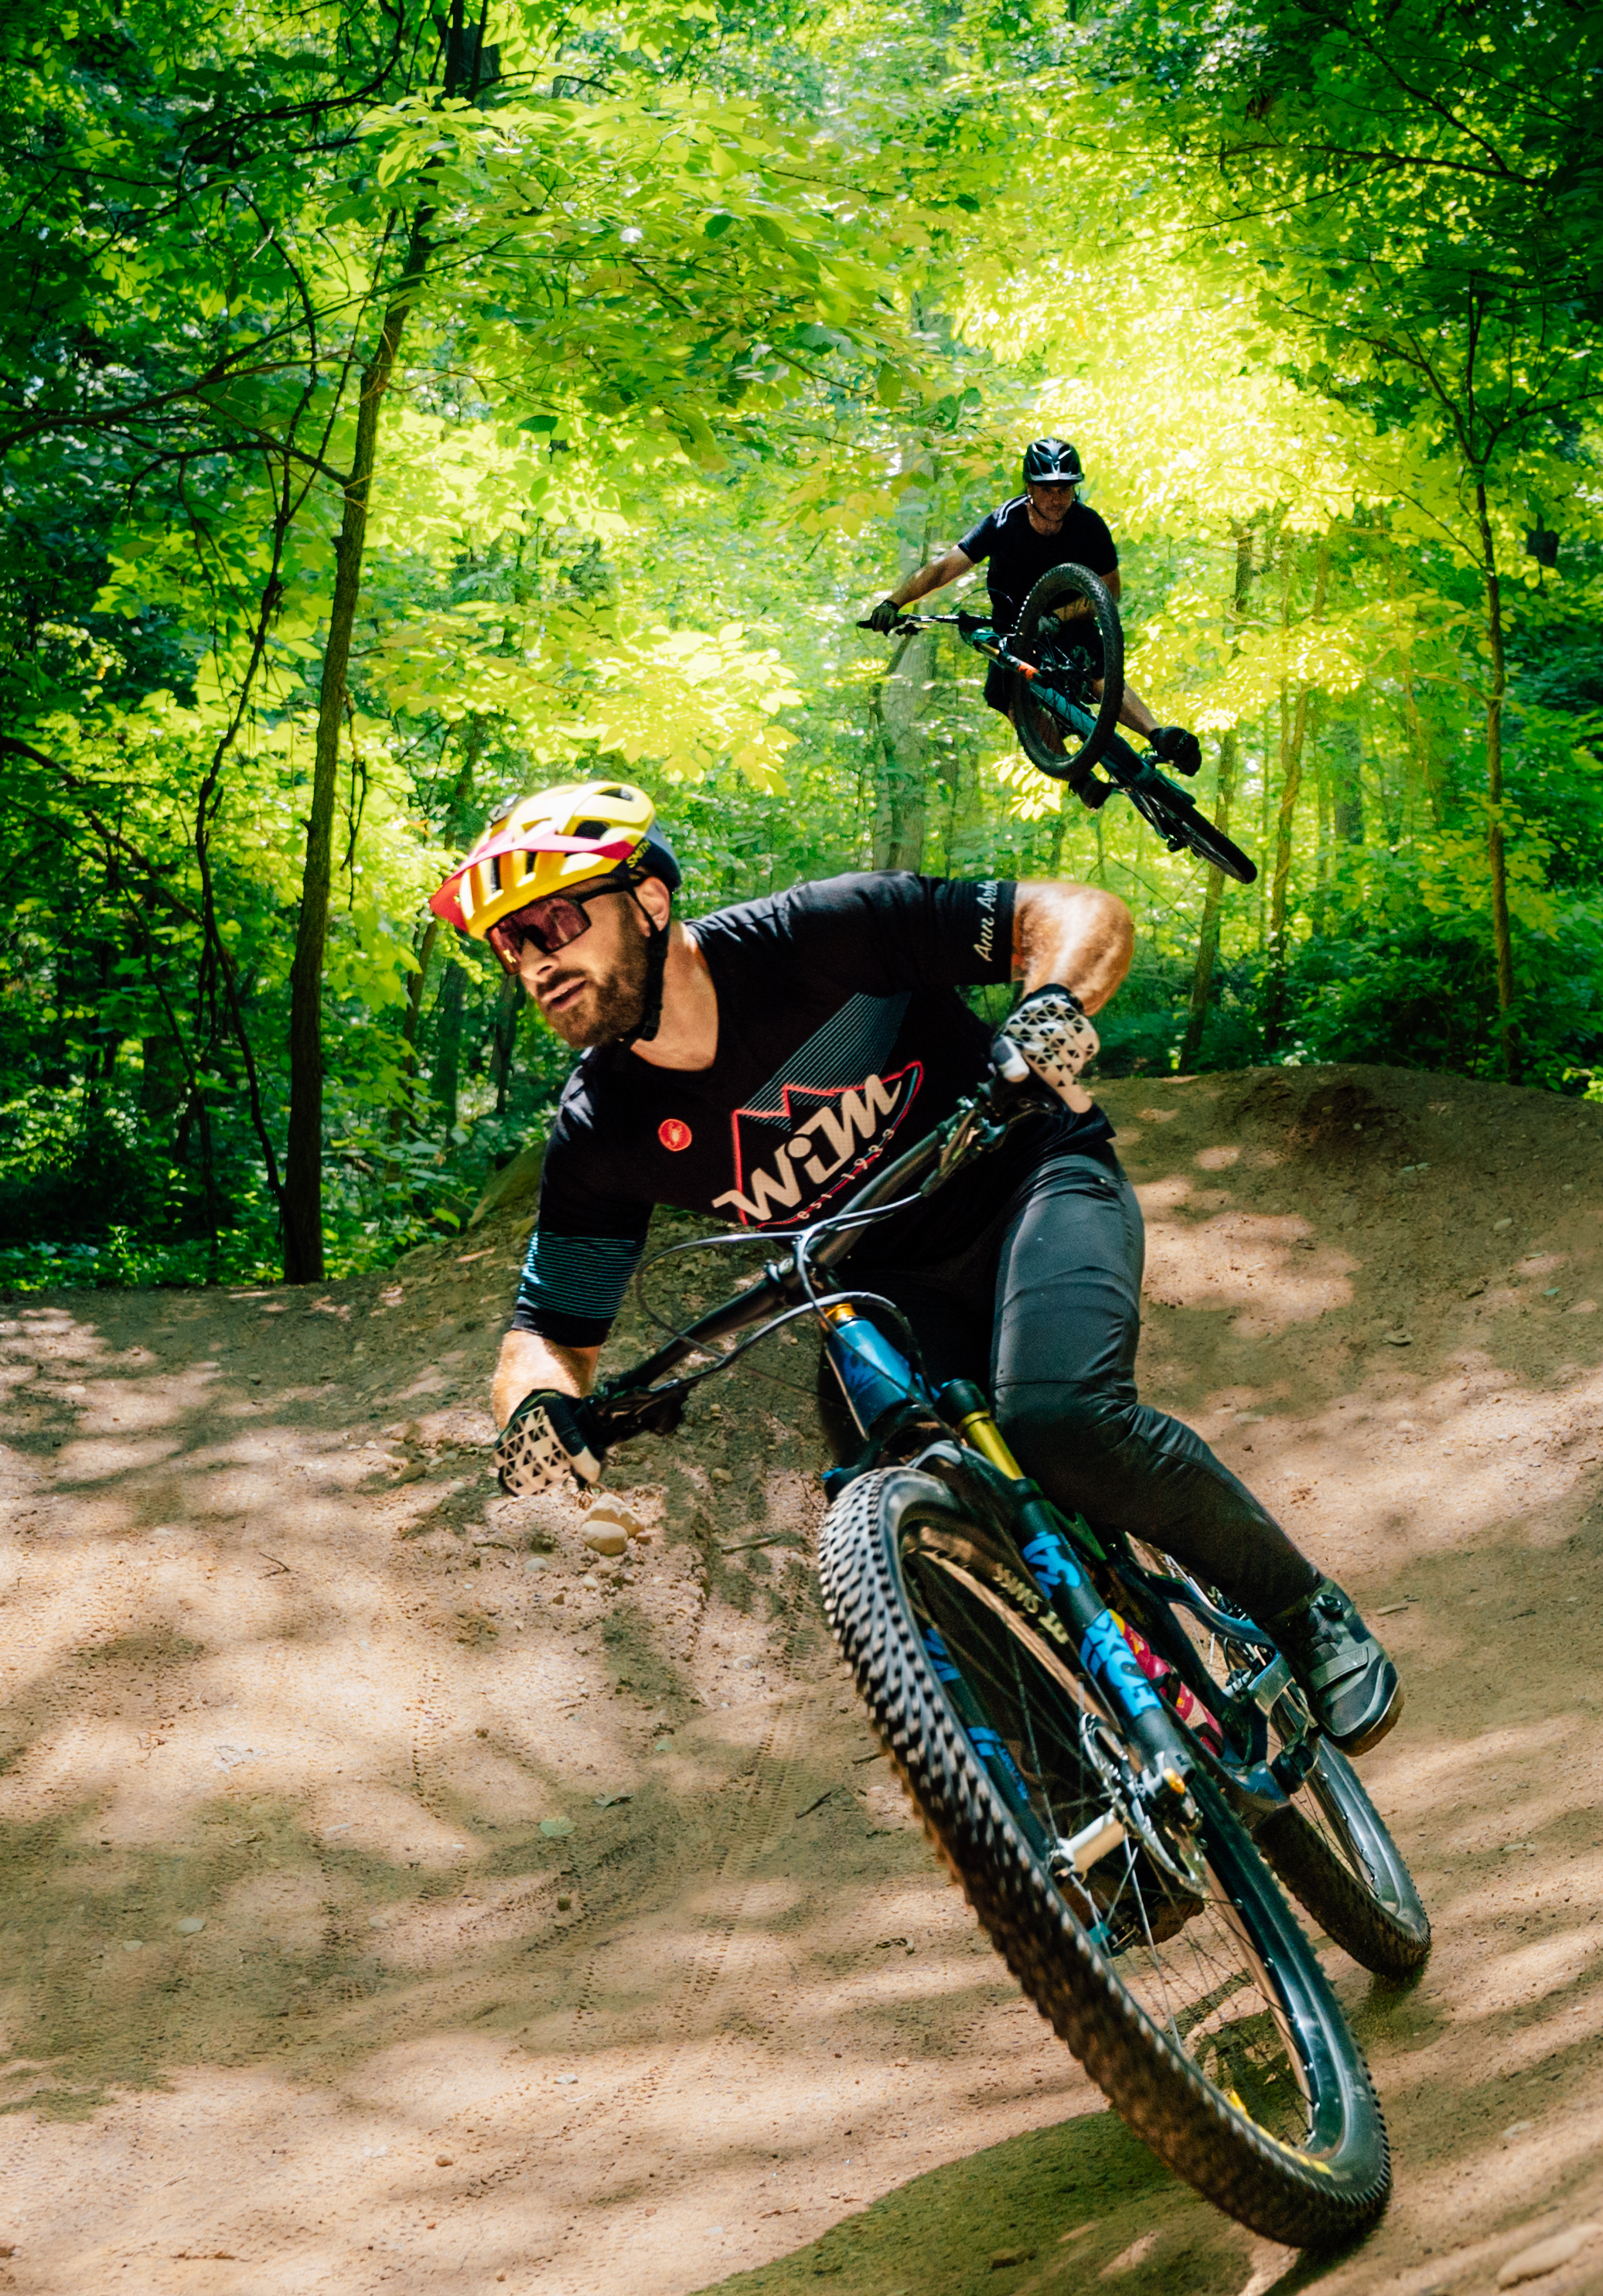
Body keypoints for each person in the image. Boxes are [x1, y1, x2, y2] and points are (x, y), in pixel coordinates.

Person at [432, 777, 1401, 1753]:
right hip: (873, 1292)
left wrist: (1051, 1005)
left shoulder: (820, 934)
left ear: (648, 899)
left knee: (1060, 1422)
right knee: (884, 1522)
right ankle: (1060, 1810)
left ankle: (1302, 1608)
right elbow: (550, 1332)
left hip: (1026, 1181)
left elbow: (1074, 913)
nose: (534, 961)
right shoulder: (602, 1127)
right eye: (509, 944)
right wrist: (536, 1415)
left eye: (553, 920)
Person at [869, 438, 1206, 784]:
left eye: (1066, 489)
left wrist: (1059, 617)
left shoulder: (1089, 525)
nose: (1058, 498)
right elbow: (943, 568)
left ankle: (1159, 735)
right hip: (1013, 633)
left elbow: (1110, 590)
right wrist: (893, 602)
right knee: (1017, 702)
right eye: (1048, 489)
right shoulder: (1003, 524)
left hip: (1072, 624)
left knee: (1098, 678)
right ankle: (1081, 781)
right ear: (1030, 487)